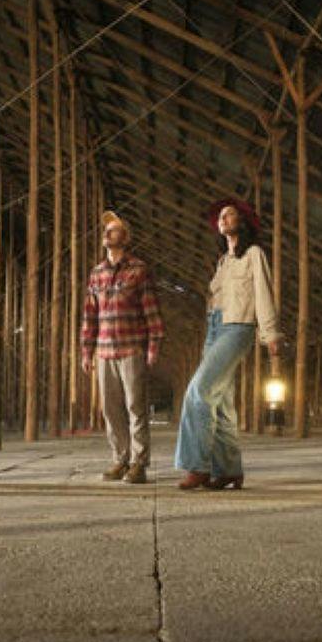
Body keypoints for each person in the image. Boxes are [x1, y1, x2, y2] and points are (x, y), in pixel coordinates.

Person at [173, 199, 282, 491]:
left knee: (198, 391)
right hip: (214, 327)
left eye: (229, 214)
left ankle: (197, 466)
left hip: (238, 326)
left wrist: (270, 334)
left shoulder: (254, 254)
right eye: (220, 217)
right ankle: (230, 470)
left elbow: (263, 292)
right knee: (220, 403)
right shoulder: (223, 261)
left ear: (242, 222)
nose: (223, 219)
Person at [80, 210, 165, 484]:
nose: (107, 234)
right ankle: (120, 459)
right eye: (106, 231)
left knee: (136, 407)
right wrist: (86, 351)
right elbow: (89, 315)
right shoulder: (96, 274)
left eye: (113, 230)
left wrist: (153, 346)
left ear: (125, 238)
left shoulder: (139, 270)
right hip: (104, 351)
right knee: (110, 409)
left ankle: (139, 463)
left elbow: (151, 312)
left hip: (131, 349)